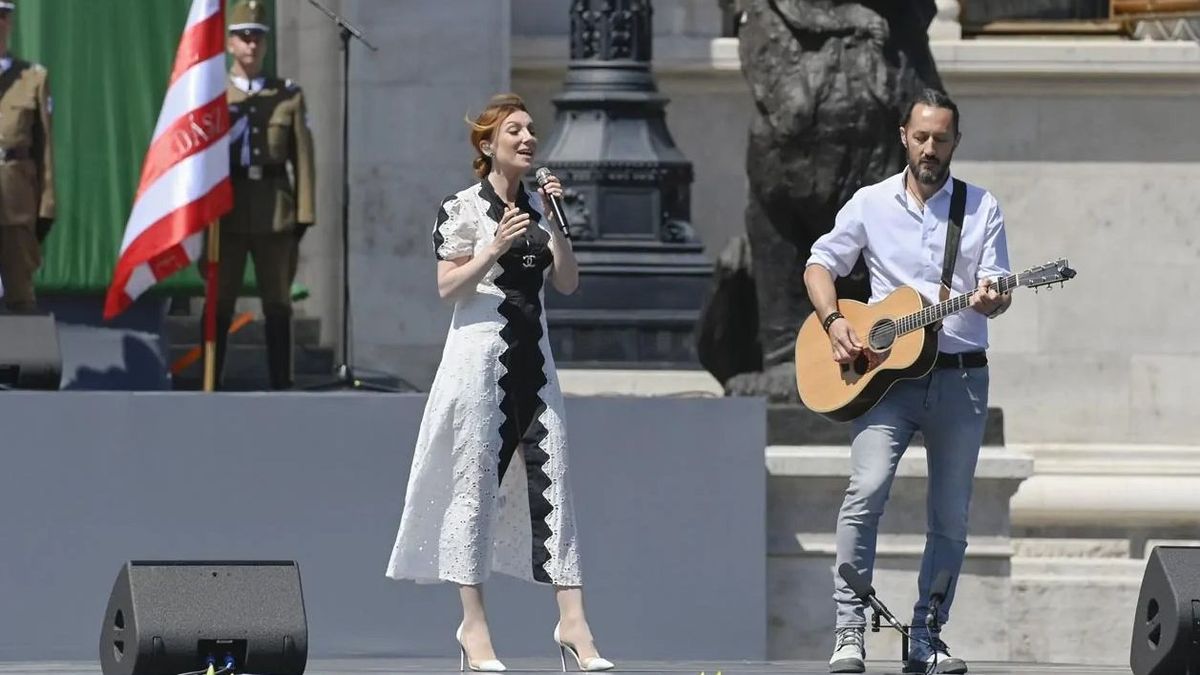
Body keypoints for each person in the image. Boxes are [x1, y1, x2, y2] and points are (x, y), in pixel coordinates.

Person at [385, 93, 613, 673]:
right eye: (515, 130)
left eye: (531, 129)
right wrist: (495, 246)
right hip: (479, 364)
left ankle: (573, 622)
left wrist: (557, 225)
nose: (528, 138)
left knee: (554, 478)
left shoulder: (541, 205)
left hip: (534, 365)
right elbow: (447, 289)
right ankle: (474, 625)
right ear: (488, 146)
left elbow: (566, 282)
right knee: (474, 489)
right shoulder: (461, 208)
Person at [804, 89, 1011, 675]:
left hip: (961, 378)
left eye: (941, 139)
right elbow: (820, 265)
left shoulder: (980, 207)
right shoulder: (870, 203)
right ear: (903, 135)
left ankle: (925, 637)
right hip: (885, 381)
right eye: (920, 137)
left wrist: (994, 298)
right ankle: (849, 630)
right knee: (865, 491)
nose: (929, 148)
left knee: (951, 516)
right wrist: (836, 321)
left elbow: (995, 293)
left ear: (955, 142)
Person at [206, 0, 314, 389]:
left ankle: (280, 384)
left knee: (278, 302)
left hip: (274, 209)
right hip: (227, 210)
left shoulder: (287, 95)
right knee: (220, 302)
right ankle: (211, 382)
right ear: (231, 44)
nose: (251, 45)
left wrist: (303, 213)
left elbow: (302, 156)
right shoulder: (213, 93)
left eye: (257, 39)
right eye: (244, 37)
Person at [0, 0, 55, 313]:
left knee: (20, 294)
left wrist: (46, 204)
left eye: (1, 16)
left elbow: (44, 145)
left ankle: (20, 363)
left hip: (15, 197)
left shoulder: (33, 78)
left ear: (8, 22)